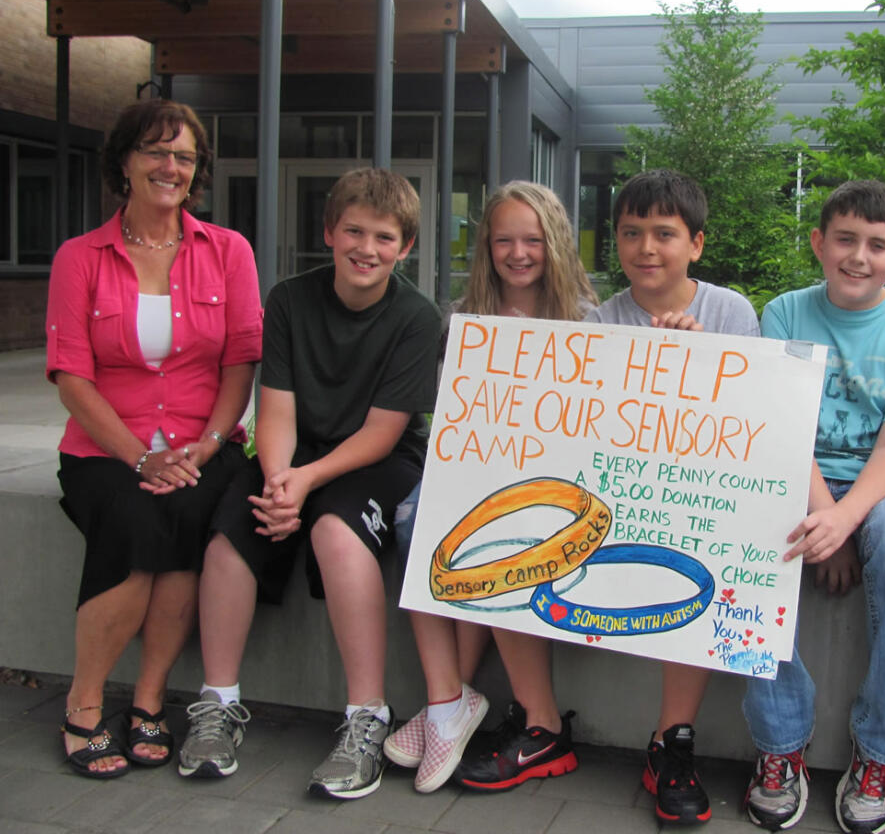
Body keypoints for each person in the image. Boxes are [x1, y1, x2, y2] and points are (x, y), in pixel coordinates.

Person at [463, 169, 759, 822]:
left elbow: (749, 429)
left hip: (693, 494)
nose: (647, 248)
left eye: (664, 234)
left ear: (697, 245)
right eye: (631, 234)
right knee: (514, 533)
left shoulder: (731, 312)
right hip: (613, 495)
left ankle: (671, 741)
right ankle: (539, 726)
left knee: (701, 548)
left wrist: (693, 365)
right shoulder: (599, 321)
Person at [176, 168, 441, 800]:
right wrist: (276, 482)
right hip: (293, 451)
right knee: (230, 537)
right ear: (328, 232)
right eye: (353, 230)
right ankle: (218, 704)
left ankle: (366, 718)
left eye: (384, 237)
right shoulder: (292, 299)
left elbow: (382, 432)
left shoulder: (417, 317)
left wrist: (306, 484)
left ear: (405, 248)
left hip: (377, 459)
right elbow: (277, 411)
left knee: (335, 531)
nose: (366, 249)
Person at [46, 99, 262, 779]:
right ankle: (84, 705)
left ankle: (147, 702)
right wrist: (141, 456)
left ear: (196, 172)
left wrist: (210, 440)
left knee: (189, 513)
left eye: (184, 156)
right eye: (155, 151)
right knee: (136, 514)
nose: (170, 166)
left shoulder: (228, 252)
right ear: (125, 162)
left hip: (206, 443)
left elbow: (239, 361)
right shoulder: (80, 258)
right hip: (108, 448)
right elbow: (72, 376)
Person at [741, 180, 885, 832]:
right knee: (743, 541)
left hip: (880, 487)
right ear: (818, 243)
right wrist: (825, 518)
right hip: (791, 474)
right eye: (846, 240)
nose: (859, 256)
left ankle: (880, 751)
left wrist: (845, 522)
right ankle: (779, 741)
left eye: (877, 246)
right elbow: (785, 427)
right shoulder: (784, 314)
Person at [386, 180, 598, 793]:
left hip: (552, 481)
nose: (518, 252)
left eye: (532, 240)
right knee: (415, 521)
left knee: (501, 540)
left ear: (555, 243)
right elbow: (450, 419)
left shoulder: (587, 320)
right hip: (475, 471)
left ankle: (442, 712)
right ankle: (447, 699)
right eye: (503, 240)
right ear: (486, 246)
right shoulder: (461, 319)